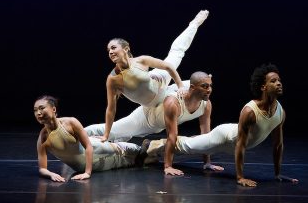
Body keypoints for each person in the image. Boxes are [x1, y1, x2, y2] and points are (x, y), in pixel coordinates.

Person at [143, 63, 299, 186]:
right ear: (263, 87)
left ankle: (157, 145)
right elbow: (240, 145)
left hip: (233, 144)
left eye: (279, 80)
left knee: (192, 145)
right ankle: (152, 144)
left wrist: (277, 174)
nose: (279, 83)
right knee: (189, 146)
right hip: (224, 136)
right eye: (273, 81)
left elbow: (278, 145)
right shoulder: (250, 111)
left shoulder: (280, 112)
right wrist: (240, 177)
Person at [101, 10, 209, 142]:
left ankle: (194, 24)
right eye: (108, 50)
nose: (111, 52)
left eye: (113, 48)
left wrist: (180, 85)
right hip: (151, 103)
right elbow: (111, 109)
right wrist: (106, 135)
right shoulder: (113, 79)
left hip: (160, 80)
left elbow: (169, 67)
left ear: (126, 48)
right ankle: (75, 132)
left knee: (177, 55)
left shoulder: (141, 60)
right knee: (119, 127)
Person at [86, 71, 224, 172]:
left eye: (210, 86)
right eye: (205, 86)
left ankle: (150, 147)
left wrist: (207, 163)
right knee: (111, 131)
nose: (209, 90)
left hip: (157, 127)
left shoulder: (206, 105)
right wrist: (168, 166)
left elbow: (206, 135)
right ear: (192, 88)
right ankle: (73, 131)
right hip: (143, 119)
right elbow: (172, 136)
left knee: (194, 141)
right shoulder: (173, 102)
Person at [34, 95, 143, 182]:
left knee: (125, 150)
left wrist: (87, 172)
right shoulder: (43, 138)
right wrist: (51, 174)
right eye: (35, 110)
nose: (38, 113)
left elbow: (88, 146)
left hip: (95, 147)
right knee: (126, 163)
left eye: (41, 108)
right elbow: (42, 168)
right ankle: (145, 154)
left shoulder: (70, 122)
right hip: (80, 166)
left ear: (53, 109)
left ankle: (140, 148)